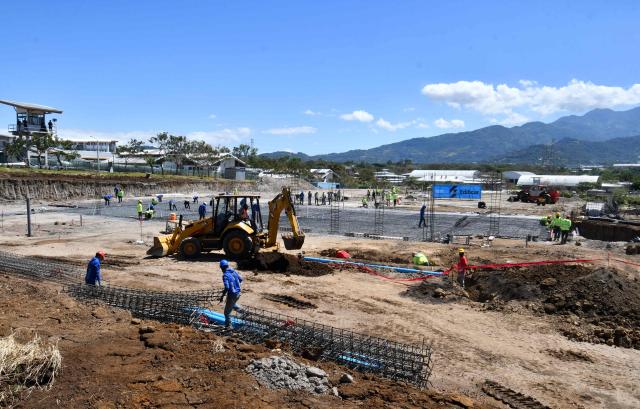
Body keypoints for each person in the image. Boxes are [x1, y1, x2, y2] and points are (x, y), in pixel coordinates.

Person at [218, 259, 243, 328]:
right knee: (231, 303)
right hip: (238, 293)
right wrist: (236, 286)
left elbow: (227, 287)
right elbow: (241, 279)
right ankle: (243, 312)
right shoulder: (233, 271)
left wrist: (222, 296)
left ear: (222, 268)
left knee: (226, 313)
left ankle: (228, 327)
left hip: (232, 295)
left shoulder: (225, 275)